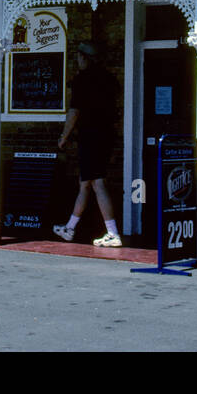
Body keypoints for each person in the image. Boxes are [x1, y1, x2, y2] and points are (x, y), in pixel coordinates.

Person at [53, 42, 122, 247]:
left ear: (84, 58)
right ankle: (70, 228)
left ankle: (113, 233)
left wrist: (63, 138)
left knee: (97, 183)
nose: (77, 60)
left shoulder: (82, 80)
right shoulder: (109, 78)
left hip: (91, 137)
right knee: (85, 184)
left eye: (78, 57)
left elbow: (74, 112)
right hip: (105, 136)